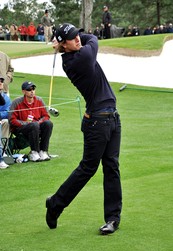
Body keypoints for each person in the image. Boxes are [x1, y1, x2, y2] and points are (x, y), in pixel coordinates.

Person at [45, 23, 122, 235]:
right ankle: (55, 204)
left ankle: (113, 218)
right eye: (72, 38)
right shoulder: (78, 60)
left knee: (112, 167)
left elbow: (86, 39)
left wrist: (65, 39)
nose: (78, 39)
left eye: (77, 35)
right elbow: (94, 39)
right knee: (88, 168)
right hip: (97, 122)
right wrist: (62, 43)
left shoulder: (76, 51)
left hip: (111, 118)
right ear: (63, 45)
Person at [8, 81, 53, 162]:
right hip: (21, 128)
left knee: (48, 123)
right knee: (34, 125)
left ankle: (43, 151)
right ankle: (34, 152)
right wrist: (26, 123)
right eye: (29, 89)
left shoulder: (39, 100)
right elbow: (12, 120)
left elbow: (46, 116)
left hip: (36, 125)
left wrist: (38, 123)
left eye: (33, 89)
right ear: (23, 91)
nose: (32, 91)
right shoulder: (17, 102)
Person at [0, 76, 11, 169]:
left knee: (6, 122)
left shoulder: (5, 97)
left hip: (1, 120)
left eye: (1, 81)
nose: (0, 83)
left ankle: (2, 151)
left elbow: (8, 112)